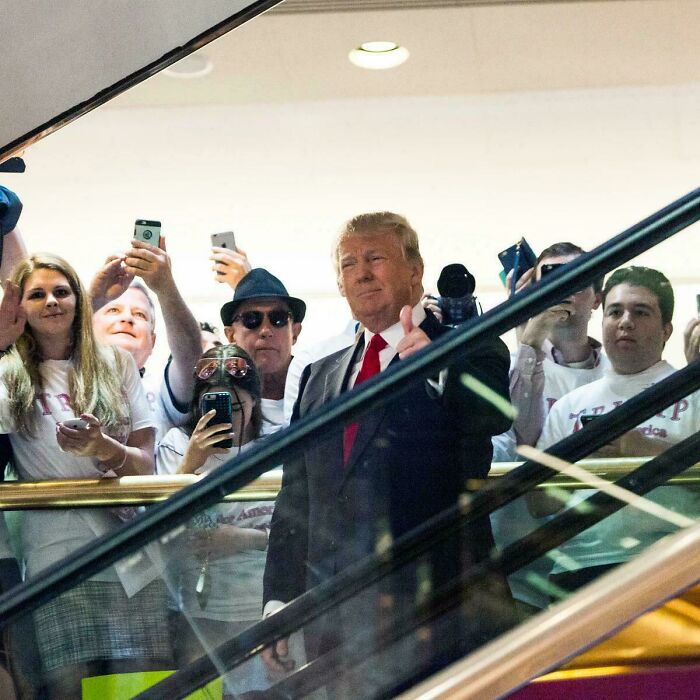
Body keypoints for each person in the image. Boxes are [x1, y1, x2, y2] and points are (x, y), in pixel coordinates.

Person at [262, 212, 513, 694]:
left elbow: (492, 418)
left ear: (415, 270)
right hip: (336, 623)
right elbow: (298, 494)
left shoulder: (468, 347)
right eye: (349, 263)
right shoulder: (320, 376)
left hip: (439, 608)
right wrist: (280, 600)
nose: (361, 272)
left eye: (376, 258)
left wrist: (439, 368)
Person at [0, 253, 171, 697]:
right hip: (58, 559)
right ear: (22, 307)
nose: (52, 301)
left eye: (62, 291)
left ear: (79, 298)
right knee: (69, 687)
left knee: (143, 684)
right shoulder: (8, 374)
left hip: (132, 556)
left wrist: (103, 447)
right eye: (37, 294)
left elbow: (145, 464)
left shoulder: (116, 363)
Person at [537, 266, 700, 592]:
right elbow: (539, 504)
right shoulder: (570, 405)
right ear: (603, 322)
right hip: (577, 569)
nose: (625, 322)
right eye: (615, 312)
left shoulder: (693, 394)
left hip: (670, 566)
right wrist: (580, 463)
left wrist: (643, 449)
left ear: (666, 330)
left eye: (640, 312)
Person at [491, 242, 608, 612]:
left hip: (597, 553)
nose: (564, 287)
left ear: (597, 299)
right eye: (552, 276)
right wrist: (529, 335)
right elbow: (517, 436)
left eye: (576, 278)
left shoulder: (624, 371)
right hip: (521, 565)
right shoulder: (505, 366)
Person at [157, 344, 274, 695]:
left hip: (263, 605)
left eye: (236, 399)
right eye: (215, 400)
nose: (228, 411)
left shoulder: (277, 445)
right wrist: (189, 465)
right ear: (198, 403)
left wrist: (244, 538)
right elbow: (157, 529)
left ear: (254, 400)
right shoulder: (177, 445)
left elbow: (298, 528)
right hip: (200, 610)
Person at [90, 235, 201, 439]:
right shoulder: (63, 373)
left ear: (153, 342)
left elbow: (191, 356)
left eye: (139, 315)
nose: (127, 318)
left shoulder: (160, 388)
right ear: (88, 328)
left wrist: (166, 288)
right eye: (113, 310)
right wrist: (93, 299)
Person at [220, 268, 305, 434]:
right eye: (251, 319)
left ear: (294, 332)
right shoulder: (221, 398)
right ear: (231, 335)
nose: (266, 330)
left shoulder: (322, 386)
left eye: (278, 318)